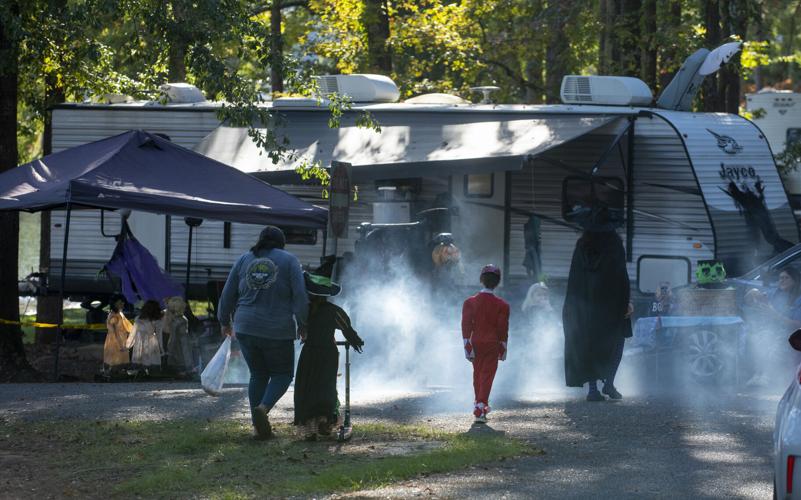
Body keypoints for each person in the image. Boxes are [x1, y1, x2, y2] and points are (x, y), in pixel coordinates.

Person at [218, 226, 308, 440]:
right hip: (277, 328)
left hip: (245, 326)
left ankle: (258, 428)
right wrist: (303, 323)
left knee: (258, 374)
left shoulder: (244, 259)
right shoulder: (289, 260)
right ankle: (263, 408)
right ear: (281, 242)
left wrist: (224, 321)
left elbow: (227, 293)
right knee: (282, 374)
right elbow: (300, 295)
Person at [563, 228, 633, 402]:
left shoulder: (582, 246)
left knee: (589, 346)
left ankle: (593, 390)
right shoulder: (614, 245)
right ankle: (609, 383)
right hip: (611, 306)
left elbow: (575, 279)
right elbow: (621, 277)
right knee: (617, 343)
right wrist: (626, 302)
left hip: (586, 308)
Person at [294, 272, 364, 441]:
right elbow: (347, 329)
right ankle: (324, 421)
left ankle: (309, 427)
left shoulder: (304, 311)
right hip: (327, 354)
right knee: (325, 387)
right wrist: (357, 342)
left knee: (307, 388)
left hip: (309, 353)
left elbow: (300, 328)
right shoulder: (334, 311)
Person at [461, 264, 510, 424]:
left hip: (475, 342)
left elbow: (466, 325)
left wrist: (467, 346)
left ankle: (478, 404)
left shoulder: (470, 302)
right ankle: (481, 406)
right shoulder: (502, 305)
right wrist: (503, 349)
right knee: (487, 374)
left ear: (481, 279)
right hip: (492, 343)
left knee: (477, 373)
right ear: (497, 282)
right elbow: (502, 328)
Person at [126, 299, 164, 372]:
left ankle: (142, 372)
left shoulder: (138, 319)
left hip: (141, 342)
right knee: (150, 362)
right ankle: (147, 373)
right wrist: (161, 349)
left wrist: (128, 345)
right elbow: (159, 336)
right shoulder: (157, 321)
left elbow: (133, 334)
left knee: (142, 362)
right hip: (150, 342)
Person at [163, 296, 194, 375]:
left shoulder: (175, 321)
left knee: (180, 356)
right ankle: (186, 370)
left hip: (179, 341)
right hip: (183, 340)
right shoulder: (182, 319)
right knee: (185, 356)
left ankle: (182, 370)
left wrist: (170, 345)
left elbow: (173, 335)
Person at [103, 294, 132, 371]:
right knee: (115, 362)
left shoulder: (120, 314)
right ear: (114, 304)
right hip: (115, 343)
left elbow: (128, 326)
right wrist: (120, 346)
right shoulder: (113, 316)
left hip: (122, 341)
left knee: (122, 363)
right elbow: (113, 332)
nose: (122, 304)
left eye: (123, 302)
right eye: (120, 303)